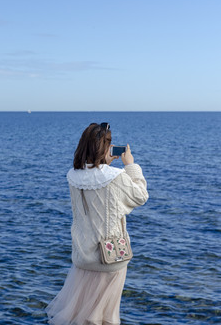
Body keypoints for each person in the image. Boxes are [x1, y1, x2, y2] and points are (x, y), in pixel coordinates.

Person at [46, 122, 149, 325]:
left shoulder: (73, 176)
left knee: (80, 314)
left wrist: (104, 163)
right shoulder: (116, 176)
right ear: (107, 147)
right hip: (111, 257)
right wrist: (130, 165)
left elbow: (96, 184)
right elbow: (141, 196)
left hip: (83, 256)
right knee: (104, 318)